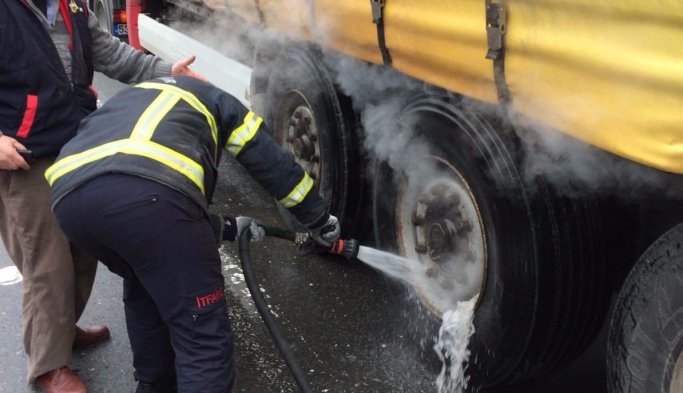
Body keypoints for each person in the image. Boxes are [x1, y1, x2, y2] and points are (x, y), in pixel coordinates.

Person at [46, 75, 341, 393]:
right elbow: (272, 163)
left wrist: (226, 227)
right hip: (150, 198)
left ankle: (153, 386)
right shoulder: (219, 101)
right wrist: (320, 220)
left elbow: (161, 220)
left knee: (145, 287)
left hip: (70, 199)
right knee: (203, 339)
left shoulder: (141, 94)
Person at [0, 1, 205, 392]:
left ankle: (61, 329)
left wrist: (169, 71)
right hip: (22, 157)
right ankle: (48, 365)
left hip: (74, 144)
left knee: (82, 248)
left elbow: (114, 55)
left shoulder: (70, 7)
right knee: (47, 262)